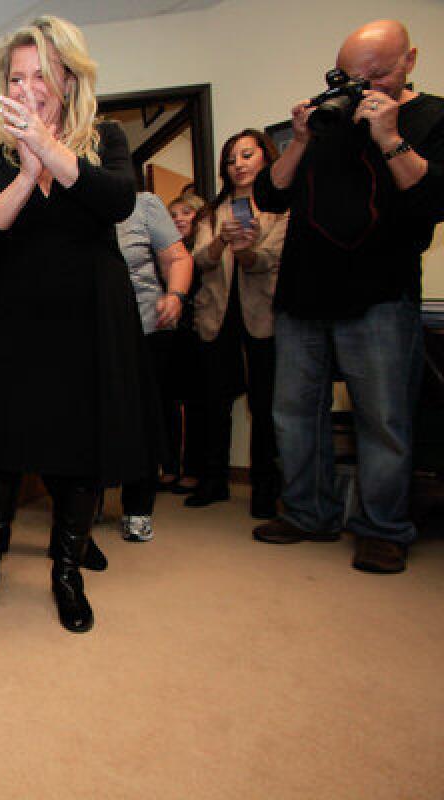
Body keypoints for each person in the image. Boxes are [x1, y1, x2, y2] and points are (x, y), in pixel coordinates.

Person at [0, 16, 150, 633]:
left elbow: (117, 201)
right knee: (5, 443)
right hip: (17, 318)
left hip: (90, 316)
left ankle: (66, 571)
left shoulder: (105, 140)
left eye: (41, 73)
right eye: (16, 76)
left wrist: (47, 147)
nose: (28, 85)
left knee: (80, 447)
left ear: (68, 80)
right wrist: (23, 168)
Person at [252, 19, 444, 574]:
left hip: (381, 291)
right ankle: (309, 511)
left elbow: (432, 197)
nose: (362, 87)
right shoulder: (327, 117)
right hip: (303, 289)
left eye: (376, 75)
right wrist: (304, 139)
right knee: (293, 410)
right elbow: (271, 193)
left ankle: (382, 527)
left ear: (409, 60)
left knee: (382, 416)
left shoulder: (432, 116)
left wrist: (388, 137)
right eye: (350, 76)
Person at [185, 130, 287, 519]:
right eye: (231, 159)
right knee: (214, 402)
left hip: (263, 316)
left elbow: (268, 260)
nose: (239, 164)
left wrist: (246, 251)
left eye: (247, 155)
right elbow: (199, 260)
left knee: (264, 405)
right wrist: (219, 243)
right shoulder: (213, 210)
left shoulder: (280, 206)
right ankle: (214, 481)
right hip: (216, 316)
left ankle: (265, 488)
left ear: (266, 158)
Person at [115, 191, 194, 541]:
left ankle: (137, 508)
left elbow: (177, 258)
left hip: (146, 325)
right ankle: (84, 506)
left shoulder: (143, 204)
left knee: (142, 419)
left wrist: (175, 295)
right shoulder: (68, 202)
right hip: (92, 333)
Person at [164, 192, 210, 495]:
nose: (179, 219)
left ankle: (193, 469)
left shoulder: (206, 252)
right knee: (166, 401)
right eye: (174, 214)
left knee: (197, 403)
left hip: (200, 331)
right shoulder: (163, 252)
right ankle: (169, 466)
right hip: (168, 332)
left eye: (186, 213)